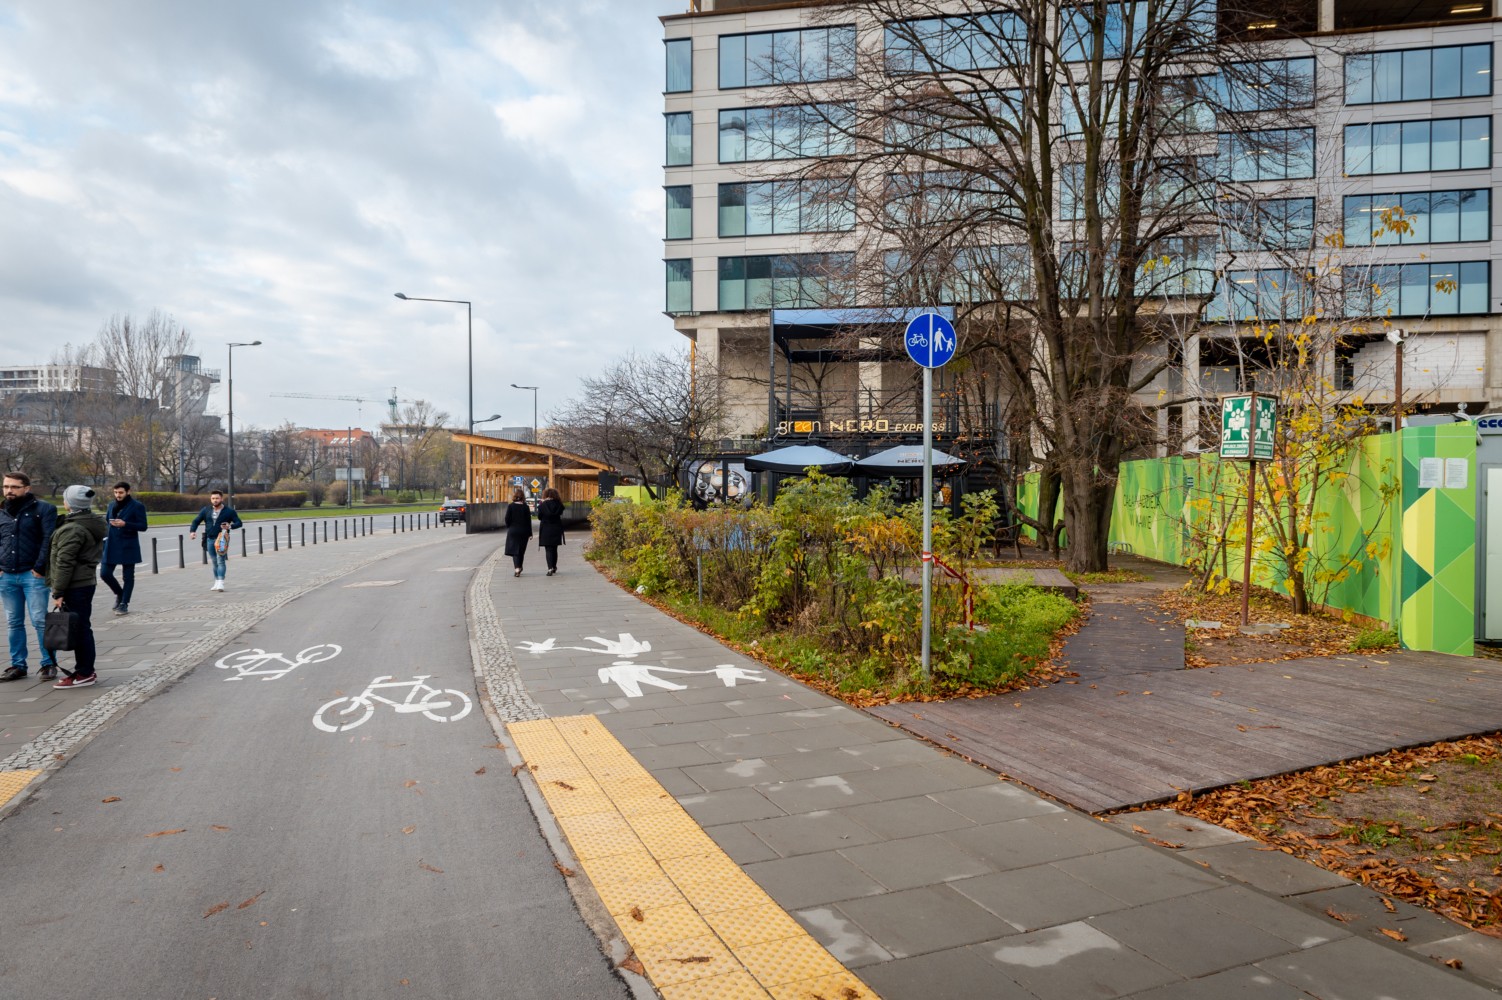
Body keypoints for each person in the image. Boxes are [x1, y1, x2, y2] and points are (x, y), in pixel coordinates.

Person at [0, 471, 60, 682]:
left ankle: (49, 664)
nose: (9, 491)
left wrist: (40, 567)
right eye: (6, 486)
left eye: (14, 487)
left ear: (26, 488)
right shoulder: (1, 511)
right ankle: (18, 665)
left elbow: (48, 540)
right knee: (13, 622)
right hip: (6, 575)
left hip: (32, 575)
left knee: (39, 621)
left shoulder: (44, 509)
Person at [47, 485, 107, 690]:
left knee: (80, 629)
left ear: (69, 503)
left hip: (75, 585)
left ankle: (84, 673)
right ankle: (85, 670)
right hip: (84, 582)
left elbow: (65, 562)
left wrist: (59, 591)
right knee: (82, 627)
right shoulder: (88, 522)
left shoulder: (72, 528)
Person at [101, 481, 148, 616]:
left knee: (128, 576)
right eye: (115, 492)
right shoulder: (111, 505)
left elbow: (143, 526)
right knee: (105, 573)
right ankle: (119, 593)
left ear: (128, 492)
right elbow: (106, 522)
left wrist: (125, 524)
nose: (118, 495)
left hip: (128, 545)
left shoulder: (137, 506)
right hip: (111, 544)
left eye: (121, 492)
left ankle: (124, 603)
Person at [189, 490, 243, 592]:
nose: (215, 500)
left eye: (217, 498)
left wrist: (230, 526)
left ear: (222, 499)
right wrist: (192, 531)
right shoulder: (206, 510)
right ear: (211, 499)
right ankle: (216, 582)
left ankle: (221, 582)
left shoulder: (229, 511)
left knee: (220, 560)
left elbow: (239, 523)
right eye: (213, 498)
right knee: (214, 562)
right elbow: (196, 521)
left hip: (222, 539)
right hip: (209, 539)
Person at [503, 487, 532, 577]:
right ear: (523, 497)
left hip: (513, 531)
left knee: (515, 550)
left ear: (515, 496)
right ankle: (519, 566)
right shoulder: (526, 507)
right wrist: (530, 533)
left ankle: (517, 568)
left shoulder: (511, 506)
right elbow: (528, 521)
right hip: (524, 532)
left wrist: (510, 527)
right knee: (521, 551)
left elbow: (507, 518)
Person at [535, 487, 565, 576]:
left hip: (546, 529)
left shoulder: (542, 505)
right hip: (556, 528)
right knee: (554, 548)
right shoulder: (559, 504)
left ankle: (549, 568)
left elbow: (539, 517)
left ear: (545, 495)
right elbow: (560, 513)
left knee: (548, 549)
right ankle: (554, 566)